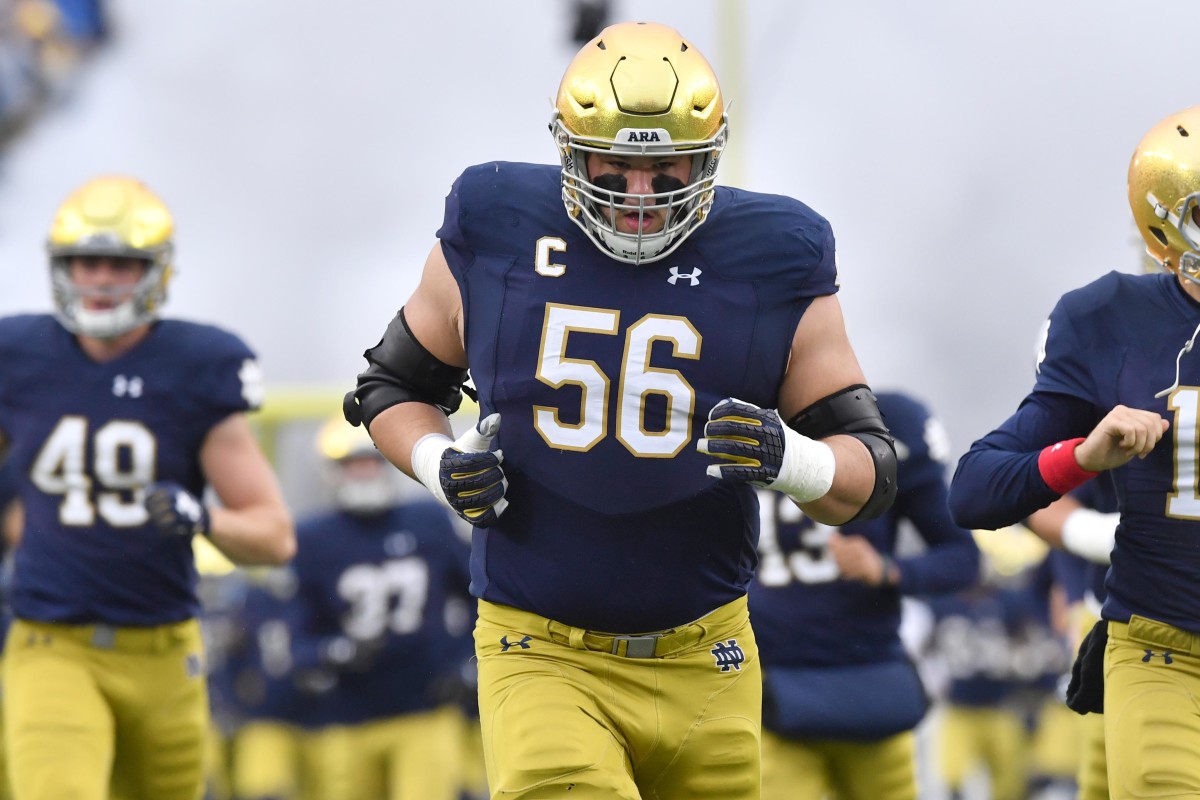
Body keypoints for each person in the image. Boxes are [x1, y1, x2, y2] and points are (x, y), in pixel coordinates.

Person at [343, 20, 896, 800]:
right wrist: (441, 464)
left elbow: (871, 470)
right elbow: (391, 387)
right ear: (571, 151)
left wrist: (792, 459)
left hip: (709, 657)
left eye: (665, 168)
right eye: (617, 164)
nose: (639, 194)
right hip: (541, 649)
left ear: (706, 157)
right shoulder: (496, 223)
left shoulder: (775, 255)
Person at [0, 175, 295, 800]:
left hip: (165, 650)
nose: (101, 279)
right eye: (86, 262)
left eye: (121, 263)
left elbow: (274, 538)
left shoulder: (197, 365)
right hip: (52, 643)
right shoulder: (17, 355)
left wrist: (202, 518)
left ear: (156, 270)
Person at [948, 105, 1200, 797]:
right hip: (1167, 652)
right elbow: (974, 490)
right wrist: (1082, 458)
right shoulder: (1111, 320)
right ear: (1165, 224)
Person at [750, 390, 978, 800]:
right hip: (773, 688)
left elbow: (962, 557)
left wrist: (888, 569)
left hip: (869, 682)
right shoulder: (734, 418)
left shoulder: (891, 422)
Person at [286, 418, 474, 800]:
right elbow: (296, 636)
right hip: (350, 715)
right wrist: (336, 652)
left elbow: (476, 596)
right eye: (352, 465)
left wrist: (465, 662)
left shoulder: (427, 520)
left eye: (370, 463)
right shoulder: (313, 538)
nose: (363, 473)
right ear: (332, 473)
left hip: (427, 707)